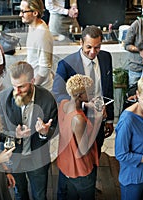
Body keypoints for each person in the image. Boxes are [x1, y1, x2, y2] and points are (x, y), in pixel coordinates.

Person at [52, 25, 114, 198]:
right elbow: (57, 92)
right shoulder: (66, 64)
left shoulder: (106, 58)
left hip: (100, 118)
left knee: (94, 155)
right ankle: (80, 188)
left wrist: (108, 120)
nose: (93, 52)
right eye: (89, 47)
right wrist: (82, 105)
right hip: (77, 120)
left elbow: (108, 88)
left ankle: (88, 183)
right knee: (78, 157)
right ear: (81, 43)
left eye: (97, 47)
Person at [0, 61, 58, 200]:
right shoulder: (1, 98)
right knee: (19, 194)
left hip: (38, 158)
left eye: (21, 86)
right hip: (13, 158)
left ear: (32, 81)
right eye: (14, 86)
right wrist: (14, 135)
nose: (16, 91)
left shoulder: (47, 99)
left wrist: (44, 132)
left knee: (40, 196)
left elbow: (55, 128)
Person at [57, 74, 102, 200]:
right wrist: (98, 121)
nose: (93, 95)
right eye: (90, 92)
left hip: (65, 162)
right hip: (80, 168)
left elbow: (74, 105)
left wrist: (86, 105)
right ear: (80, 95)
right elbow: (83, 150)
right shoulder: (78, 119)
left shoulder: (64, 104)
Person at [20, 0, 54, 91]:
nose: (20, 15)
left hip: (41, 89)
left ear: (35, 13)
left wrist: (31, 87)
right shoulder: (32, 26)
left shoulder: (42, 34)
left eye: (23, 11)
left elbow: (44, 69)